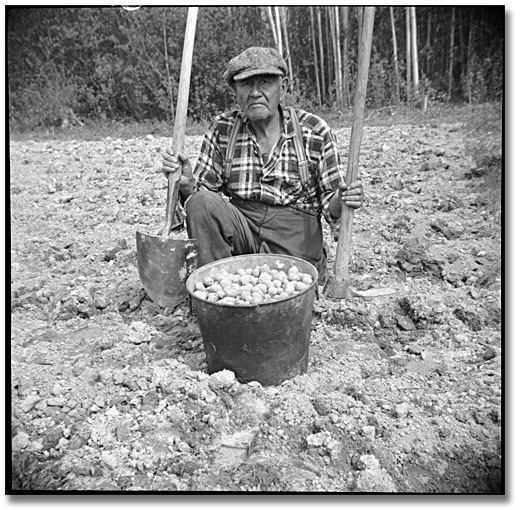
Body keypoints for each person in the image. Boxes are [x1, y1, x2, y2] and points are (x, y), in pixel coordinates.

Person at [162, 47, 363, 284]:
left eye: (265, 82)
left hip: (294, 244)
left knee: (285, 294)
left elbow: (332, 207)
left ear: (284, 86)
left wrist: (343, 198)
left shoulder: (314, 131)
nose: (256, 92)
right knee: (202, 202)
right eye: (246, 84)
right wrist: (186, 185)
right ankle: (218, 289)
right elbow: (203, 206)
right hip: (243, 233)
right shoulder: (223, 129)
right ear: (234, 90)